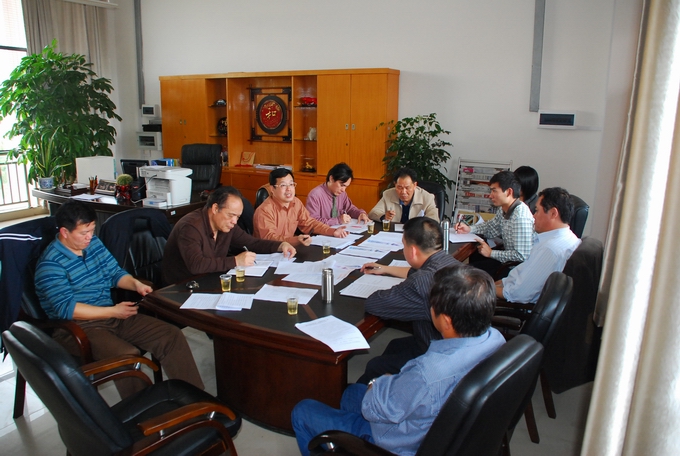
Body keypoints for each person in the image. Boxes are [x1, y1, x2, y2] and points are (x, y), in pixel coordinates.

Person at [291, 266, 505, 456]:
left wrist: (377, 383)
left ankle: (351, 442)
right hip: (438, 426)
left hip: (396, 443)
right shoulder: (495, 339)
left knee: (302, 411)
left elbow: (376, 407)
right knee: (350, 393)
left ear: (446, 321)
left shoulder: (427, 373)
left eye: (433, 305)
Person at [35, 200, 204, 399]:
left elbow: (115, 273)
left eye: (92, 230)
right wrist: (113, 311)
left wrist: (135, 284)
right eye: (84, 233)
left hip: (112, 315)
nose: (90, 237)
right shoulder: (50, 265)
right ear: (64, 232)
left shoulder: (93, 244)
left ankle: (196, 400)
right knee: (127, 355)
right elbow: (67, 309)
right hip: (78, 327)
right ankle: (143, 409)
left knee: (170, 335)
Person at [357, 217, 460, 383]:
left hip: (437, 355)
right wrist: (385, 269)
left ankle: (363, 394)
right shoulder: (449, 262)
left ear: (412, 251)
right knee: (395, 345)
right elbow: (415, 271)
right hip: (456, 345)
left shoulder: (420, 283)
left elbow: (374, 304)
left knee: (375, 366)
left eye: (403, 245)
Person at [163, 186, 296, 285]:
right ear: (215, 208)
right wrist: (235, 261)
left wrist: (280, 245)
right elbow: (196, 265)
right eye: (231, 215)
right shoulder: (191, 227)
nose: (234, 221)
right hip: (180, 287)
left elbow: (252, 243)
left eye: (237, 217)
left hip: (209, 280)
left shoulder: (226, 225)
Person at [497, 187, 581, 303]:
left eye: (537, 210)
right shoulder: (568, 237)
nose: (533, 216)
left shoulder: (549, 250)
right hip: (512, 288)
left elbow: (518, 294)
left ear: (553, 213)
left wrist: (486, 289)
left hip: (515, 305)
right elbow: (522, 273)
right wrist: (497, 283)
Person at [455, 170, 536, 276]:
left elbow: (522, 256)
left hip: (514, 270)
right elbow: (491, 227)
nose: (490, 195)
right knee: (469, 266)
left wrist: (491, 253)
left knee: (466, 274)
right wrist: (470, 229)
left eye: (494, 191)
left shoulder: (520, 217)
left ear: (509, 192)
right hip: (506, 261)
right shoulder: (504, 208)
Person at [253, 168, 348, 246]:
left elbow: (310, 223)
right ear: (272, 189)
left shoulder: (296, 203)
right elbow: (269, 239)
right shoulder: (264, 210)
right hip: (267, 255)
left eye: (291, 184)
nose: (289, 189)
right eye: (283, 185)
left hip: (288, 251)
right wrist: (295, 240)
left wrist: (333, 231)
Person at [305, 162, 370, 225]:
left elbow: (350, 209)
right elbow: (312, 222)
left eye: (346, 186)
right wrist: (338, 220)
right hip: (322, 232)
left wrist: (361, 213)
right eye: (342, 185)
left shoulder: (342, 194)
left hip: (339, 231)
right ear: (331, 179)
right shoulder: (315, 195)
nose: (343, 190)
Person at [368, 168, 440, 223]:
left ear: (415, 185)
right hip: (393, 234)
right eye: (399, 187)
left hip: (416, 234)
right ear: (395, 184)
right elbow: (373, 213)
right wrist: (384, 217)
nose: (403, 192)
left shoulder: (427, 197)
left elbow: (434, 219)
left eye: (407, 187)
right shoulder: (388, 194)